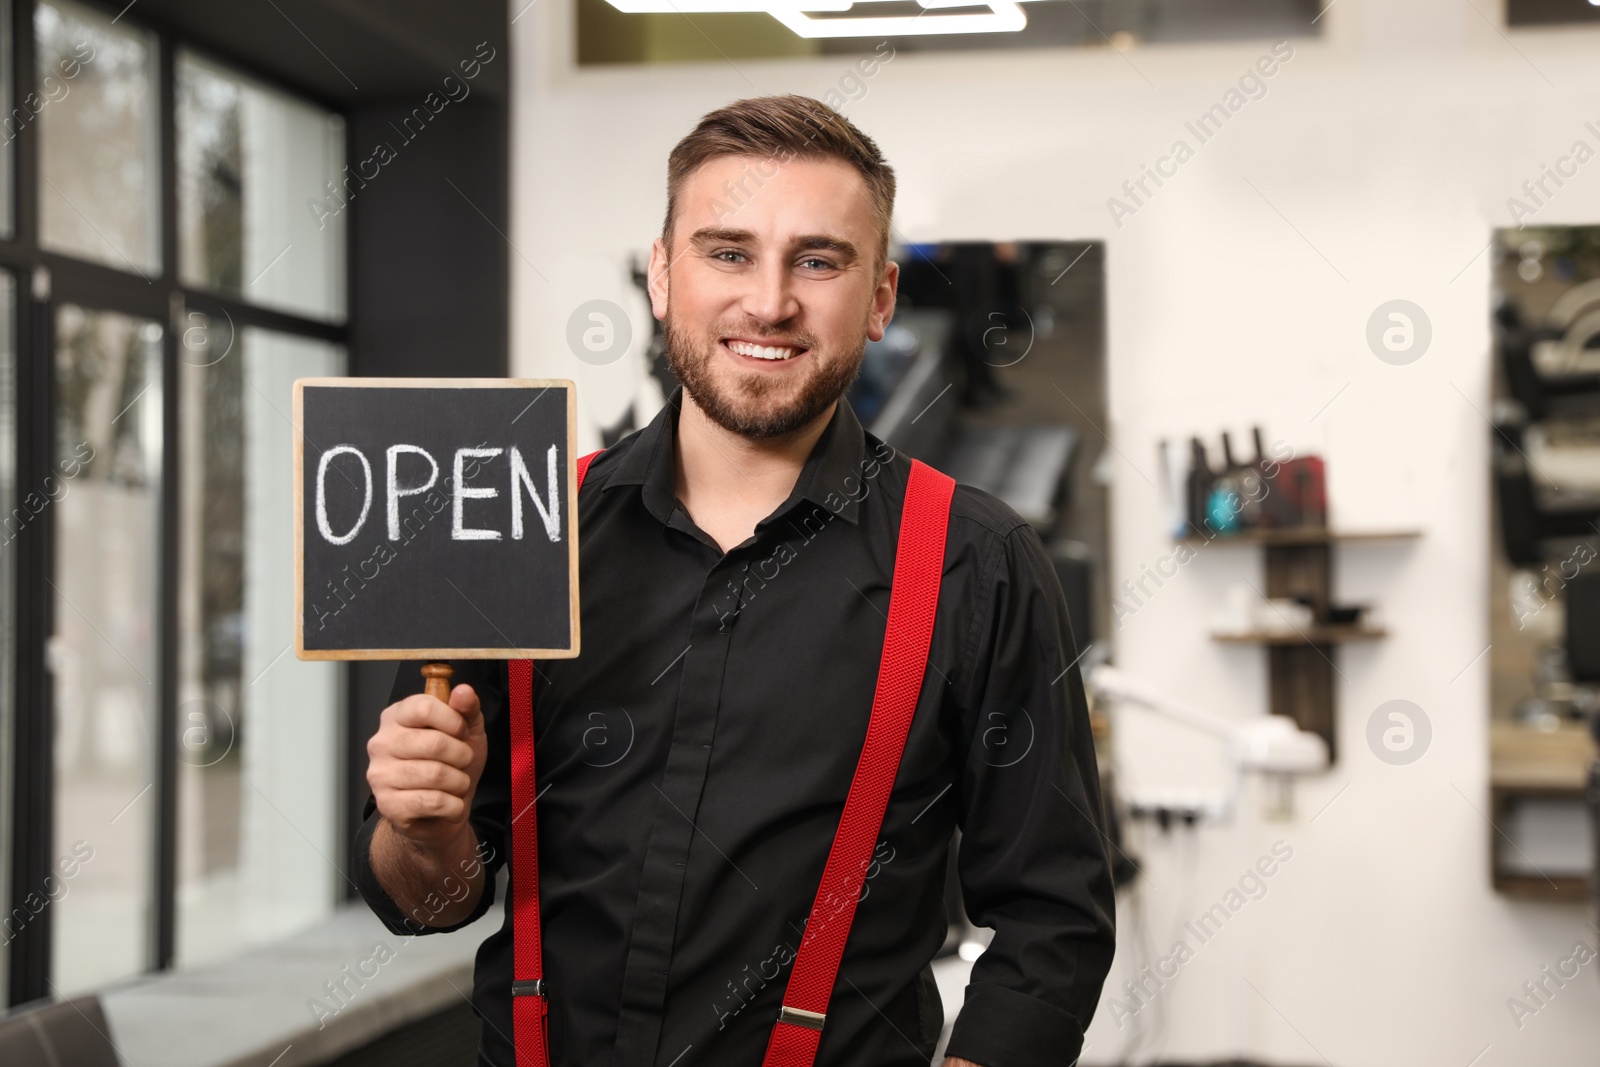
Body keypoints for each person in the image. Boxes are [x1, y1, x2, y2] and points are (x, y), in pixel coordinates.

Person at [352, 93, 1115, 1067]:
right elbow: (431, 901)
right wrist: (425, 830)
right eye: (727, 252)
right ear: (663, 277)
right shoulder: (514, 525)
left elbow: (1054, 922)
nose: (769, 301)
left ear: (879, 297)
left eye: (818, 259)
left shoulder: (978, 561)